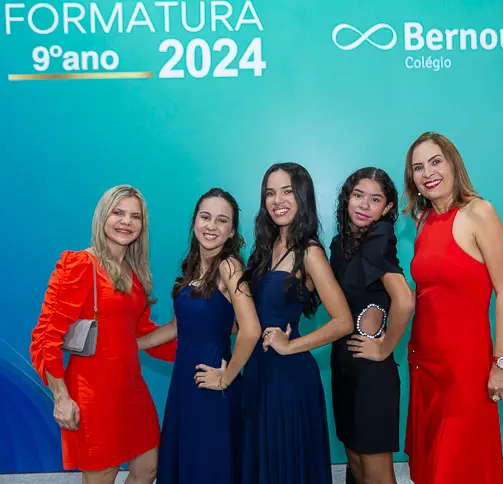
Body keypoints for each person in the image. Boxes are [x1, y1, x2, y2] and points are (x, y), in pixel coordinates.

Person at [30, 185, 177, 484]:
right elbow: (46, 336)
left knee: (148, 469)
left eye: (135, 216)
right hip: (93, 392)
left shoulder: (135, 274)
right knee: (103, 475)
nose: (126, 222)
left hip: (131, 387)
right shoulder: (81, 265)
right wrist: (61, 397)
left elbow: (140, 335)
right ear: (102, 217)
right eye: (118, 213)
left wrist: (192, 333)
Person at [403, 132, 503, 484]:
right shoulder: (423, 221)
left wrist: (501, 362)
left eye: (435, 162)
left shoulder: (480, 212)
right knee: (432, 465)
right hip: (425, 362)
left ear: (453, 164)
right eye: (418, 167)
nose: (428, 173)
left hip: (465, 369)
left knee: (461, 463)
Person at [137, 188, 261, 484]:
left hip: (211, 386)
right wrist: (130, 344)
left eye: (222, 220)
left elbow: (251, 329)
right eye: (205, 217)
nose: (211, 226)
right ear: (194, 221)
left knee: (208, 468)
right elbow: (176, 327)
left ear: (232, 231)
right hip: (184, 384)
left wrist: (226, 377)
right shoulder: (192, 268)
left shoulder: (230, 266)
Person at [239, 162, 353, 484]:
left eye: (287, 191)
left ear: (303, 196)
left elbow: (343, 321)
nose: (277, 200)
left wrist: (291, 346)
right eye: (270, 193)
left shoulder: (310, 252)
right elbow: (252, 316)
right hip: (256, 372)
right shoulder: (264, 250)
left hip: (288, 379)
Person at [329, 167, 414, 484]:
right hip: (344, 365)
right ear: (347, 198)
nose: (364, 205)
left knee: (376, 474)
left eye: (375, 199)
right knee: (355, 465)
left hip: (371, 375)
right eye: (358, 195)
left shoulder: (379, 240)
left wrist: (383, 349)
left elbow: (405, 300)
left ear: (387, 208)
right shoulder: (340, 244)